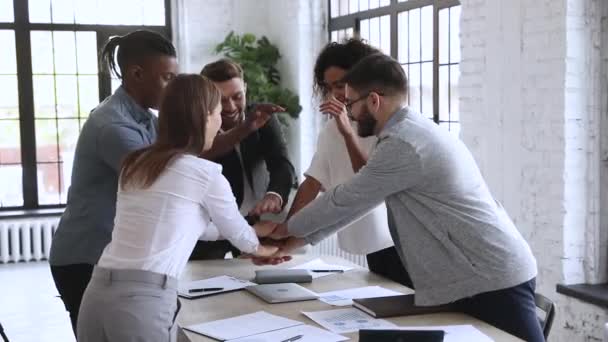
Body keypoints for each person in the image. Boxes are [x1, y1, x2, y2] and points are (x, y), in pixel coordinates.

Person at [260, 53, 544, 342]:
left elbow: (346, 198)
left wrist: (285, 229)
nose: (349, 113)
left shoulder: (403, 145)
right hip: (473, 277)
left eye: (351, 104)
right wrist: (293, 242)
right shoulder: (405, 133)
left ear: (373, 100)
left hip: (491, 275)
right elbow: (359, 204)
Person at [76, 74, 279, 342]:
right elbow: (241, 237)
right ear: (205, 116)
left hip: (97, 293)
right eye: (218, 113)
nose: (220, 125)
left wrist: (251, 229)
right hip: (142, 301)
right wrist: (266, 248)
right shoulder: (205, 173)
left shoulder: (136, 163)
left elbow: (186, 223)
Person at [48, 30, 178, 334]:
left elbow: (182, 155)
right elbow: (161, 182)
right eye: (168, 78)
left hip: (106, 255)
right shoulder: (115, 126)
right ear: (136, 74)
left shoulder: (144, 117)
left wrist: (245, 127)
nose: (173, 89)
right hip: (84, 257)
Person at [286, 39, 412, 287]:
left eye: (341, 84)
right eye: (330, 86)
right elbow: (312, 182)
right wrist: (287, 232)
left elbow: (370, 181)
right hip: (371, 241)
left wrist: (347, 133)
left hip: (399, 239)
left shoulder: (387, 127)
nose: (337, 93)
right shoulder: (332, 129)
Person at [189, 59, 296, 260]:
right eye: (221, 100)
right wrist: (244, 129)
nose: (230, 107)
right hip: (211, 228)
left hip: (256, 222)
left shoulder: (261, 116)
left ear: (245, 88)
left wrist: (274, 195)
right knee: (209, 284)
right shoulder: (197, 129)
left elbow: (281, 162)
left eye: (237, 96)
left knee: (264, 277)